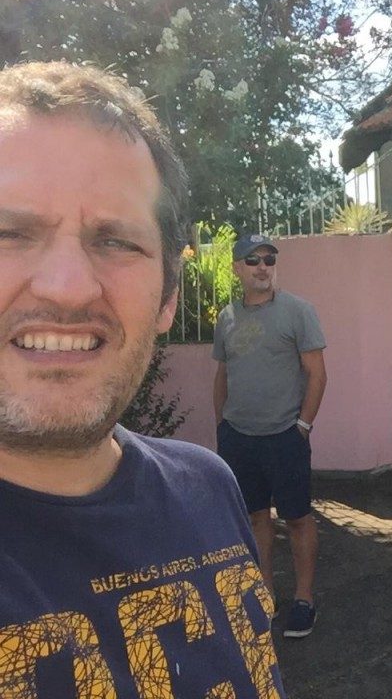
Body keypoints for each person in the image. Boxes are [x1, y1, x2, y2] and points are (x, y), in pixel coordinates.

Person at [0, 61, 284, 697]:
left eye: (116, 242)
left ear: (168, 298)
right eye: (8, 233)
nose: (69, 288)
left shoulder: (208, 487)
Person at [213, 234, 327, 639]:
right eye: (253, 259)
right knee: (255, 516)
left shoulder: (297, 312)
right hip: (239, 438)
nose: (262, 266)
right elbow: (223, 374)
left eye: (268, 259)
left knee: (297, 518)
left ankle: (304, 599)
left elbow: (317, 373)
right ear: (236, 268)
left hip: (285, 436)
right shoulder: (226, 317)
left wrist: (303, 426)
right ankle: (264, 594)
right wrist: (222, 427)